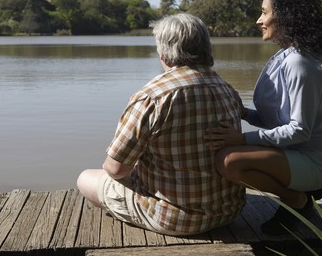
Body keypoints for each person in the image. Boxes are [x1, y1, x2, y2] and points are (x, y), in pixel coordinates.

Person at [76, 13, 246, 236]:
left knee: (86, 178)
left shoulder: (153, 96)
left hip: (176, 219)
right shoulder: (227, 90)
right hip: (229, 212)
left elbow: (115, 169)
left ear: (163, 51)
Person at [205, 0, 322, 235]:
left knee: (229, 160)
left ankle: (296, 200)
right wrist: (246, 114)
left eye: (265, 12)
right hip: (293, 157)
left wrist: (241, 138)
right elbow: (280, 121)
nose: (259, 20)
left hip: (315, 164)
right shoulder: (290, 55)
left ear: (285, 16)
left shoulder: (300, 63)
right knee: (227, 154)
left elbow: (300, 131)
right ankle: (296, 200)